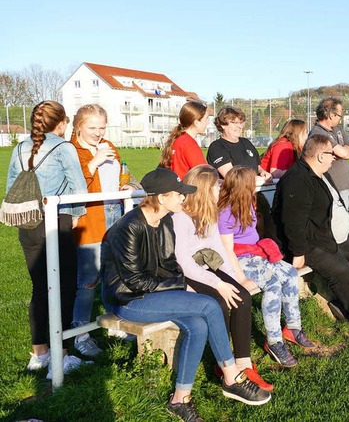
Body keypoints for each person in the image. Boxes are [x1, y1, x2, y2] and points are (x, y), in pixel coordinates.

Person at [101, 168, 271, 420]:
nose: (184, 198)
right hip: (128, 300)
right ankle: (232, 375)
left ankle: (180, 399)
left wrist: (184, 284)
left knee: (198, 325)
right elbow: (135, 282)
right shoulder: (129, 227)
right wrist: (183, 286)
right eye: (179, 194)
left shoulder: (165, 220)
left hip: (154, 292)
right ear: (161, 198)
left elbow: (170, 265)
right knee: (209, 306)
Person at [173, 164, 273, 392]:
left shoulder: (209, 213)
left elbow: (216, 248)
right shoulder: (181, 217)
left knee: (243, 296)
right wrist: (219, 284)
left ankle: (243, 362)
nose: (220, 189)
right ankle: (224, 363)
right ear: (203, 190)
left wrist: (234, 279)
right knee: (219, 301)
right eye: (216, 186)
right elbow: (184, 263)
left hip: (205, 266)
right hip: (185, 273)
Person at [6, 101, 88, 376]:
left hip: (27, 223)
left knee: (40, 289)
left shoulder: (19, 148)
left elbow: (10, 188)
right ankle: (61, 357)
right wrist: (77, 214)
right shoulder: (64, 147)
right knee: (64, 288)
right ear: (62, 123)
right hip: (56, 221)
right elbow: (78, 189)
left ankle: (39, 354)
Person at [272, 135, 349, 332]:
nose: (334, 157)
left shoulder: (318, 173)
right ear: (319, 156)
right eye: (331, 154)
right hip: (307, 244)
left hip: (324, 235)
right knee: (341, 270)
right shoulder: (297, 179)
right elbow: (292, 223)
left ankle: (345, 303)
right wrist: (298, 254)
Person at [217, 166, 317, 367]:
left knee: (289, 272)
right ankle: (273, 340)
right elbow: (227, 250)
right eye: (252, 184)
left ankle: (292, 327)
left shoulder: (249, 203)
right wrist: (241, 278)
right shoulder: (226, 212)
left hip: (255, 253)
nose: (256, 186)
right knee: (272, 284)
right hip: (240, 259)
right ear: (244, 187)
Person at [70, 104, 126, 358]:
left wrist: (127, 184)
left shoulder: (109, 146)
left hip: (115, 221)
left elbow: (123, 172)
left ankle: (114, 323)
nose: (98, 132)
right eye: (92, 127)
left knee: (114, 275)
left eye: (102, 127)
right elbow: (75, 187)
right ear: (79, 125)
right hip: (90, 224)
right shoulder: (71, 150)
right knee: (88, 281)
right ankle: (81, 333)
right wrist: (94, 161)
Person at [308, 97, 349, 240]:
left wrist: (343, 151)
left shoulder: (339, 129)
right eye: (340, 115)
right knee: (341, 228)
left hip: (348, 186)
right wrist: (344, 151)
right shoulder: (318, 133)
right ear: (331, 115)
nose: (341, 119)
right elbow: (344, 152)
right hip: (335, 188)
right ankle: (344, 257)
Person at [206, 106, 272, 182]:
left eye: (241, 123)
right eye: (234, 123)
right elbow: (230, 175)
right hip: (234, 192)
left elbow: (257, 167)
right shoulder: (217, 147)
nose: (239, 126)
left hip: (254, 190)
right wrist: (253, 179)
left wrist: (263, 172)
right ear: (223, 125)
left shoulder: (246, 142)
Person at [159, 101, 211, 179]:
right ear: (196, 122)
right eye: (206, 119)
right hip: (185, 188)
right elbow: (204, 174)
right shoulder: (189, 143)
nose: (207, 122)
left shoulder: (178, 139)